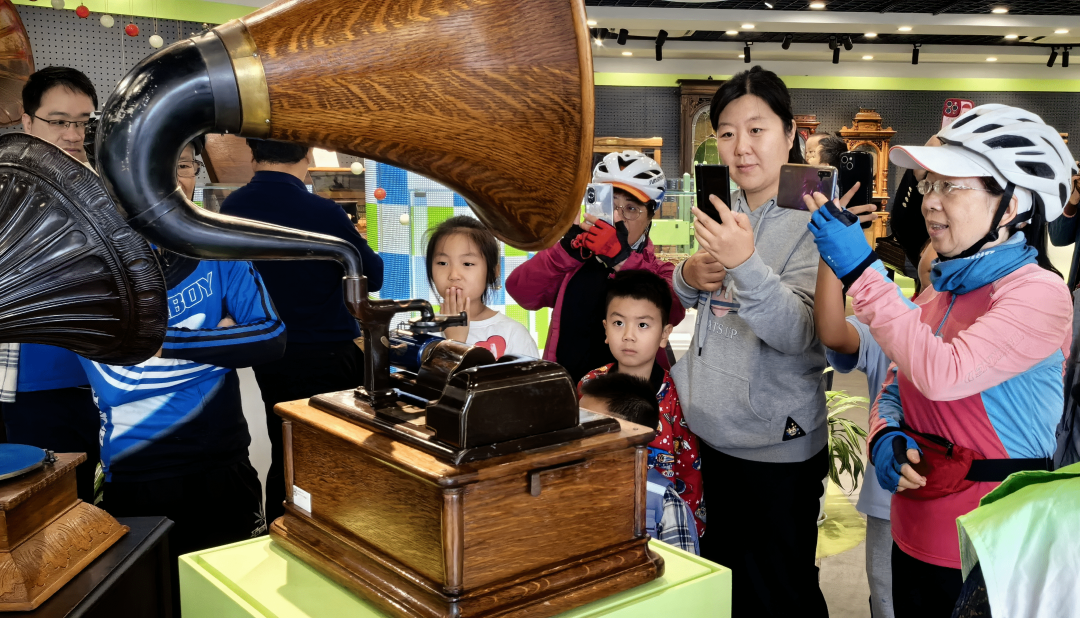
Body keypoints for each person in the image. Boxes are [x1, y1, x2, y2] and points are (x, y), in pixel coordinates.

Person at [806, 104, 1074, 617]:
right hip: (914, 536)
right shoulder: (940, 291)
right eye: (929, 183)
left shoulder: (1037, 293)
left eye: (952, 185)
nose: (929, 200)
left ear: (1012, 204)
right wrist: (885, 434)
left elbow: (942, 374)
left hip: (993, 548)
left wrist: (861, 270)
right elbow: (895, 382)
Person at [670, 66, 828, 617]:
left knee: (779, 593)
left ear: (790, 133)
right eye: (727, 133)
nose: (741, 147)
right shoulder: (726, 206)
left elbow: (799, 332)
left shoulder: (816, 219)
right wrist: (688, 274)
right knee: (723, 588)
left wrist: (745, 264)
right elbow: (694, 298)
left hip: (774, 449)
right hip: (709, 436)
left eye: (756, 130)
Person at [219, 139, 384, 524]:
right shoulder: (323, 211)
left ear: (252, 153)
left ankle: (281, 527)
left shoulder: (233, 208)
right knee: (335, 452)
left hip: (270, 352)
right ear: (307, 153)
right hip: (328, 351)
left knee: (286, 444)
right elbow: (373, 276)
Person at [816, 221, 935, 618]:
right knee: (887, 598)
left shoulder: (985, 323)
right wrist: (832, 250)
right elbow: (834, 333)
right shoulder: (890, 317)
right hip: (891, 499)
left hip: (962, 499)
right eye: (933, 243)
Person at [0, 67, 99, 503]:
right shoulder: (4, 186)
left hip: (102, 377)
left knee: (96, 506)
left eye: (82, 123)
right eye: (59, 121)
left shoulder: (106, 188)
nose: (73, 135)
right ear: (27, 121)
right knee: (43, 507)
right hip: (28, 384)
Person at [506, 151, 684, 384]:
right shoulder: (573, 262)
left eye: (631, 209)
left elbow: (673, 310)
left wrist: (622, 259)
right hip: (569, 392)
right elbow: (521, 292)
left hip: (636, 397)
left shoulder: (661, 271)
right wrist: (564, 251)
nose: (618, 217)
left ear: (651, 217)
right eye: (610, 204)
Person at [576, 270, 704, 535]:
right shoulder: (589, 383)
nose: (628, 335)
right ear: (605, 329)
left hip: (660, 523)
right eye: (618, 323)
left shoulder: (678, 395)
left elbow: (688, 470)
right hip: (595, 512)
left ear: (664, 333)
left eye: (643, 325)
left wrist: (691, 528)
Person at [578, 371, 699, 555]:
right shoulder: (567, 485)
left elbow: (685, 569)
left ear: (631, 435)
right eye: (576, 421)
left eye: (587, 423)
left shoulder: (664, 501)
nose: (576, 432)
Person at [426, 216, 538, 357]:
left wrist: (455, 344)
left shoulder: (514, 334)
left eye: (467, 264)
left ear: (493, 272)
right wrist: (455, 341)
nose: (454, 275)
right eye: (442, 263)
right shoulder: (422, 331)